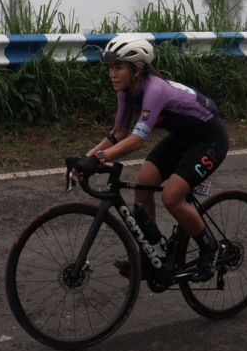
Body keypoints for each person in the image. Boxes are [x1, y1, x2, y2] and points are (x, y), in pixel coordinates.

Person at [75, 33, 229, 282]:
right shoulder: (125, 91)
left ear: (137, 69)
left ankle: (211, 250)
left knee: (171, 197)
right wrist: (85, 158)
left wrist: (98, 159)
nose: (112, 74)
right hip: (182, 137)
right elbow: (118, 133)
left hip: (209, 138)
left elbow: (136, 141)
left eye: (118, 67)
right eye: (110, 68)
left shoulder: (154, 90)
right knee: (144, 184)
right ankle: (150, 257)